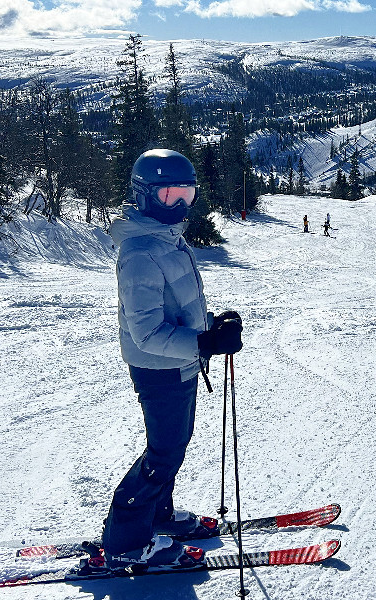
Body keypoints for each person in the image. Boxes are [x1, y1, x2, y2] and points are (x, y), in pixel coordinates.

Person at [102, 149, 243, 571]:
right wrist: (204, 342)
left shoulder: (164, 239)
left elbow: (171, 306)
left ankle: (159, 516)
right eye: (169, 195)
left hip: (178, 363)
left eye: (187, 193)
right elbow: (147, 333)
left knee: (173, 447)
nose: (180, 204)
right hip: (159, 367)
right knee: (163, 454)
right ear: (144, 196)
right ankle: (126, 540)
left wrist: (211, 325)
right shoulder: (142, 251)